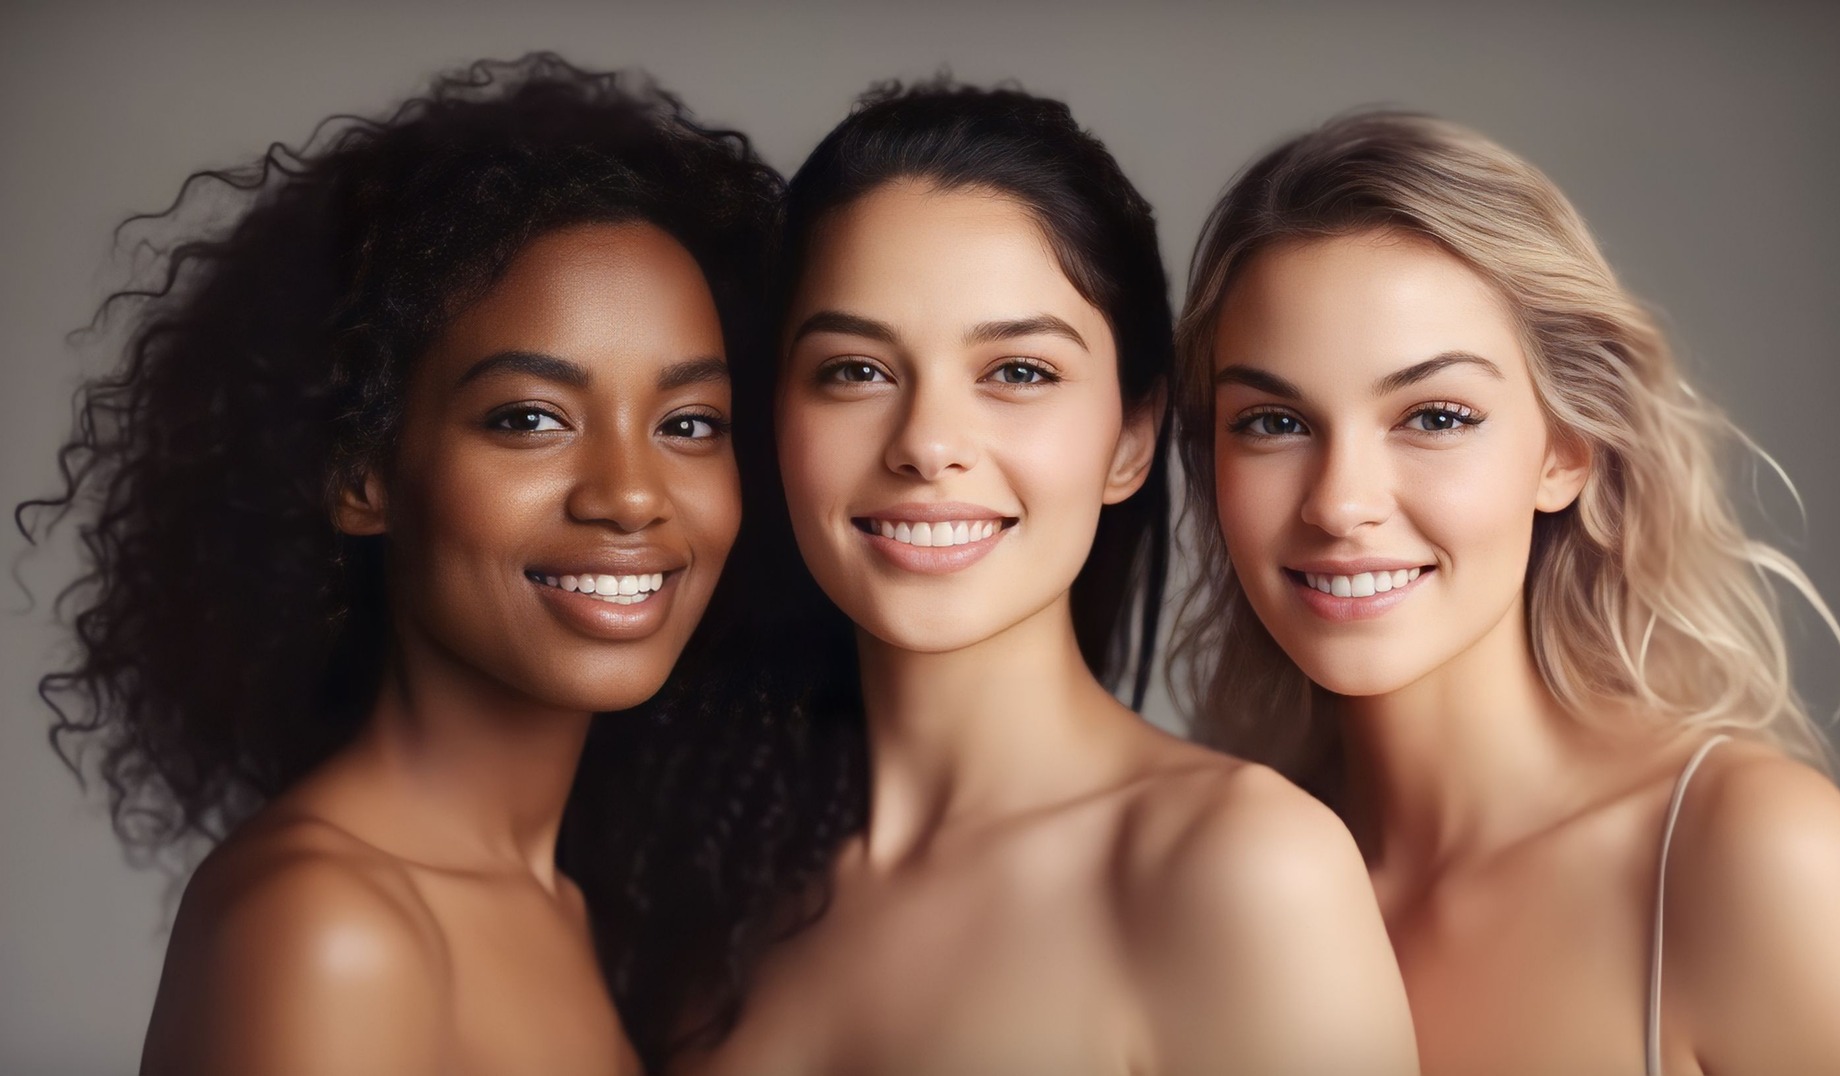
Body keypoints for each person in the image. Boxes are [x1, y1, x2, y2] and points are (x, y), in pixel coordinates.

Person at [19, 54, 783, 1075]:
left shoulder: (565, 902)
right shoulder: (329, 929)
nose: (632, 493)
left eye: (690, 421)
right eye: (529, 418)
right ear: (362, 475)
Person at [671, 80, 1418, 1076]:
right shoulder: (704, 866)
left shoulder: (1239, 868)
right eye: (855, 370)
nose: (929, 443)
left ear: (1132, 438)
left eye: (1018, 371)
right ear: (773, 423)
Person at [1171, 110, 1840, 1074]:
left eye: (1434, 416)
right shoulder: (1222, 879)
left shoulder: (1744, 857)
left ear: (1566, 451)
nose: (1341, 503)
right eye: (1272, 422)